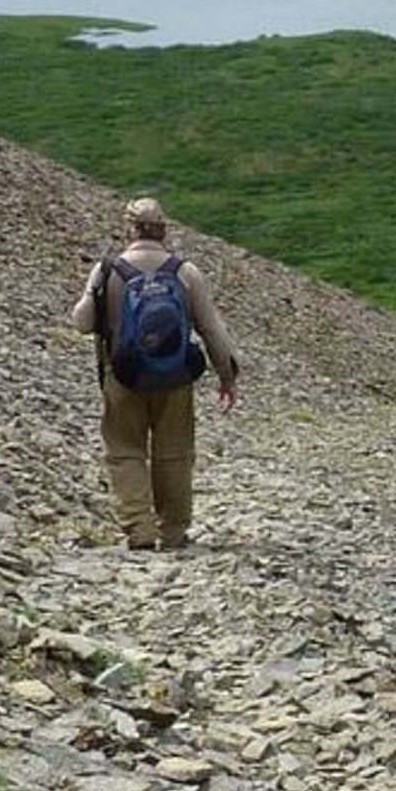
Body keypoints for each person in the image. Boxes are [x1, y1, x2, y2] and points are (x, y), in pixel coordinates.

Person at [78, 195, 240, 552]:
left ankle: (139, 528)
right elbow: (212, 329)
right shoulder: (184, 271)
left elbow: (82, 322)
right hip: (175, 376)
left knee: (125, 450)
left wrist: (96, 292)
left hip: (122, 375)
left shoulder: (108, 269)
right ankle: (173, 531)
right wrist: (226, 376)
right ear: (163, 230)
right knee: (175, 451)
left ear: (129, 228)